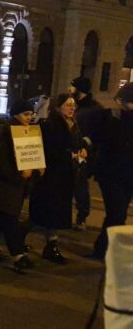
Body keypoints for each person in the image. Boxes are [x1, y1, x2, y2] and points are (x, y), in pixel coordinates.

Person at [28, 94, 86, 264]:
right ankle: (18, 237)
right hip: (52, 177)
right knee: (45, 214)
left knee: (55, 214)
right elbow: (49, 150)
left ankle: (51, 245)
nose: (72, 108)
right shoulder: (51, 124)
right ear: (59, 106)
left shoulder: (73, 124)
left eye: (73, 105)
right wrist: (70, 155)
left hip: (66, 177)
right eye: (68, 105)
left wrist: (84, 149)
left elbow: (78, 142)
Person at [0, 99, 38, 272]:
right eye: (26, 114)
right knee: (10, 219)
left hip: (14, 184)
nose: (30, 117)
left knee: (0, 216)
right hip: (5, 184)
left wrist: (36, 166)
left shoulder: (24, 132)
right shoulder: (5, 133)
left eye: (31, 114)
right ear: (16, 115)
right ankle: (17, 254)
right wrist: (19, 174)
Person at [90, 83, 133, 259]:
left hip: (128, 176)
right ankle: (109, 251)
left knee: (118, 214)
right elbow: (99, 139)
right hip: (112, 175)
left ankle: (102, 249)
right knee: (116, 213)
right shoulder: (110, 117)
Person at [69, 76, 103, 230]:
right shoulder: (71, 104)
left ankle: (81, 217)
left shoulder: (94, 109)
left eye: (73, 86)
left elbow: (98, 134)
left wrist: (88, 147)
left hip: (83, 154)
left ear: (80, 89)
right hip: (68, 150)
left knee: (80, 186)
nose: (70, 89)